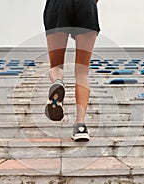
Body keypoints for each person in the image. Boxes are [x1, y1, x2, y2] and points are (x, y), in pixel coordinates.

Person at [43, 0, 100, 142]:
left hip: (58, 4)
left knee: (56, 66)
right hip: (86, 4)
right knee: (82, 72)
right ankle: (80, 125)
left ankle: (58, 82)